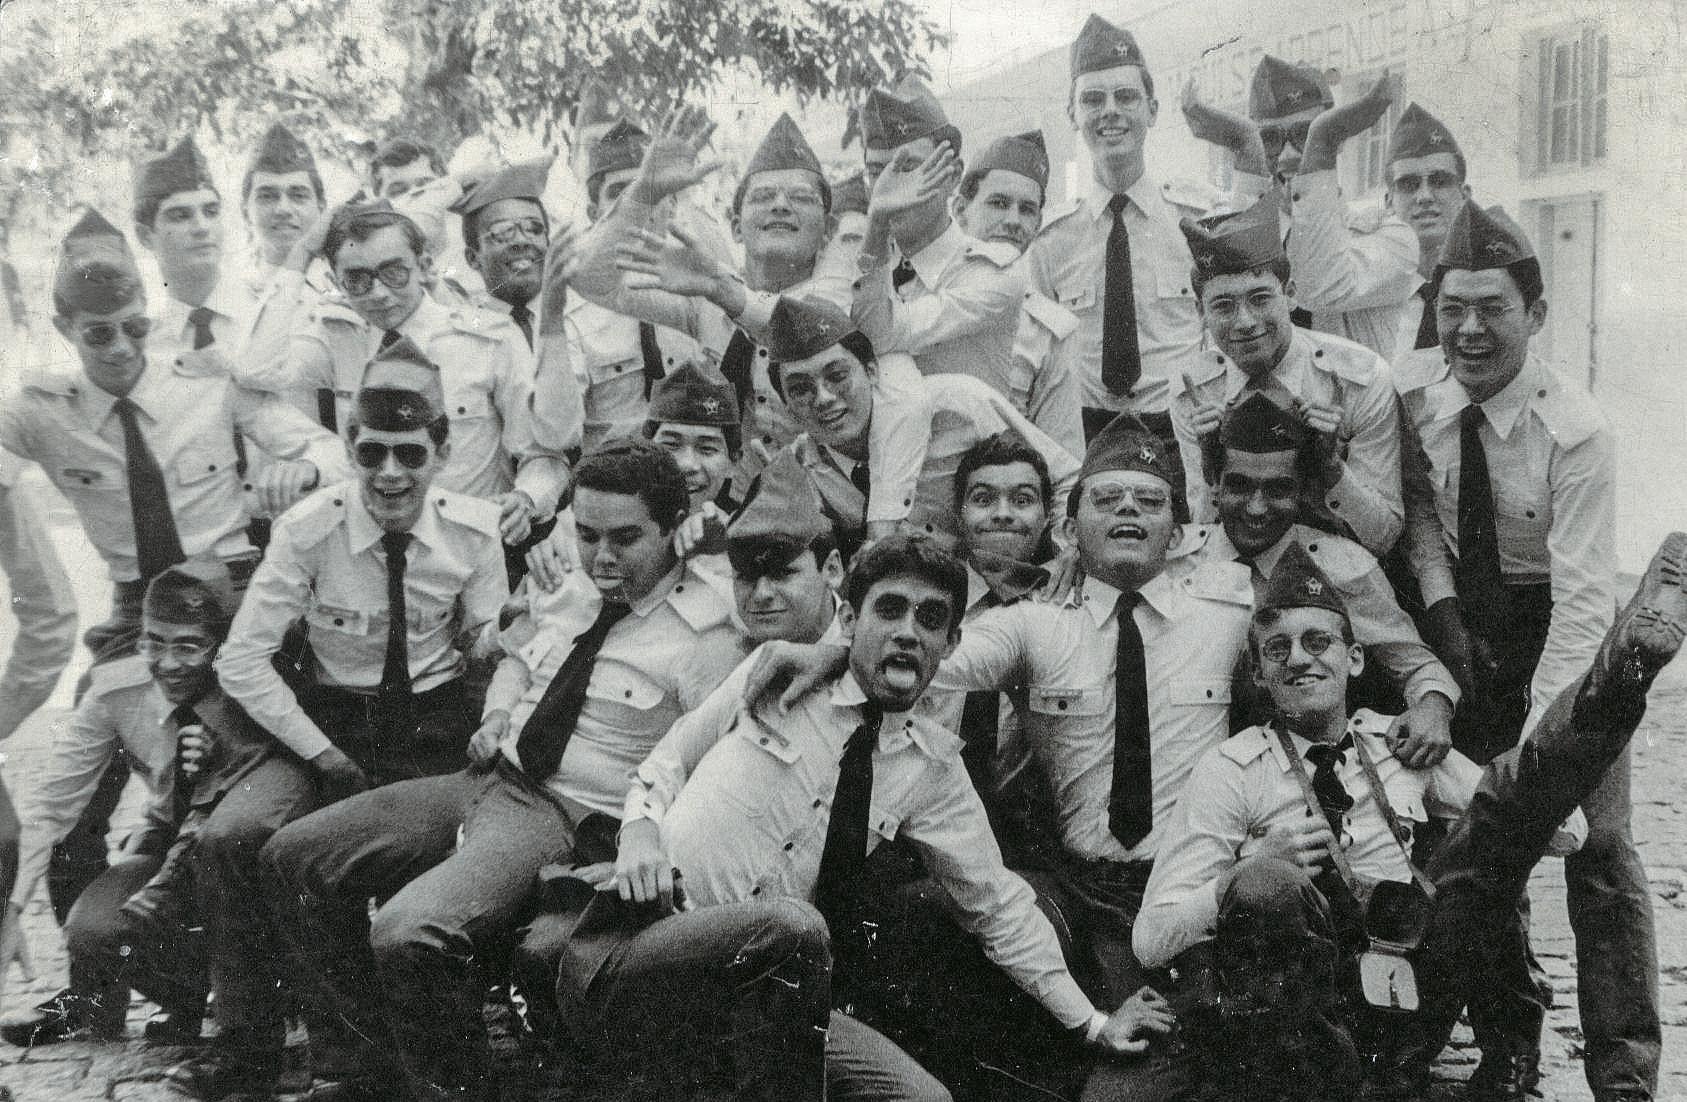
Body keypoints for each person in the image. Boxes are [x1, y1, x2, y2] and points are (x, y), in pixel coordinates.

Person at [1089, 532, 1686, 1101]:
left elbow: (1565, 834)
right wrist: (1240, 876)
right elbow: (1150, 940)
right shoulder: (1231, 770)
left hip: (1405, 990)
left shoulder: (1398, 745)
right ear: (1259, 675)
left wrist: (1476, 818)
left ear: (1354, 659)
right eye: (1278, 650)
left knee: (1496, 812)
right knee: (1267, 883)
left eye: (1317, 642)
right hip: (1298, 1020)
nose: (1299, 660)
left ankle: (1622, 674)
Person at [593, 537, 1165, 1101]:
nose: (908, 631)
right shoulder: (774, 676)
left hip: (766, 991)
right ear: (848, 618)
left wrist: (1093, 1023)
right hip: (660, 939)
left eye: (931, 619)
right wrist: (640, 836)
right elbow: (665, 765)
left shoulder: (932, 770)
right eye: (889, 609)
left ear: (951, 643)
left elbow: (997, 907)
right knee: (793, 925)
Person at [259, 438, 742, 1101]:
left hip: (561, 812)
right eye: (587, 534)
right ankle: (364, 1069)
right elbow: (520, 658)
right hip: (486, 775)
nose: (602, 556)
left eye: (625, 538)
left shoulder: (708, 631)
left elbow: (706, 767)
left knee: (408, 932)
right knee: (293, 857)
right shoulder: (569, 587)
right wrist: (494, 716)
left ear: (672, 529)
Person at [745, 413, 1253, 1021]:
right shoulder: (1033, 626)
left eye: (1149, 501)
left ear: (1178, 533)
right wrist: (834, 651)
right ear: (1069, 530)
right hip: (1086, 888)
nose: (1128, 510)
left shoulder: (1229, 611)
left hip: (1192, 878)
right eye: (1107, 498)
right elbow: (935, 659)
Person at [1396, 203, 1654, 1102]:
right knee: (1475, 838)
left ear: (1534, 315)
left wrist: (1542, 754)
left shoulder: (1576, 429)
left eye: (1492, 309)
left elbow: (1581, 602)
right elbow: (1418, 520)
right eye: (1451, 308)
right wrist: (1445, 624)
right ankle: (1508, 1042)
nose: (1468, 330)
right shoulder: (1411, 397)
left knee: (1598, 850)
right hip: (1465, 626)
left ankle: (1623, 1072)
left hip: (1564, 631)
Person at [198, 344, 506, 1099]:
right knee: (234, 837)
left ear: (442, 453)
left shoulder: (474, 531)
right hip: (325, 725)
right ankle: (262, 1053)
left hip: (431, 728)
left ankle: (437, 1054)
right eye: (371, 453)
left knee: (425, 866)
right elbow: (242, 661)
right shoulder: (308, 528)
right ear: (349, 450)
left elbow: (489, 648)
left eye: (410, 454)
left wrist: (500, 646)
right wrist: (322, 753)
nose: (390, 474)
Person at [572, 107, 933, 544]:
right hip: (735, 513)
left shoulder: (850, 297)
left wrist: (723, 291)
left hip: (846, 511)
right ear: (736, 226)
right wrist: (643, 194)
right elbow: (590, 280)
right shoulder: (706, 288)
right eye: (762, 196)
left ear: (827, 230)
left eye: (800, 197)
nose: (780, 205)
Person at [3, 560, 316, 1064]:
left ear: (221, 647)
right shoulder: (118, 688)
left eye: (189, 646)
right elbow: (51, 805)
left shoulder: (258, 685)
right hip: (175, 838)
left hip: (257, 854)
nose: (168, 663)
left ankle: (267, 1004)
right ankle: (169, 998)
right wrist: (12, 909)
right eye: (154, 643)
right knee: (97, 930)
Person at [2, 207, 346, 663]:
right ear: (65, 328)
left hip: (232, 589)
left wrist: (307, 467)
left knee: (273, 688)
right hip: (139, 605)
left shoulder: (206, 380)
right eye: (99, 335)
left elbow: (334, 454)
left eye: (135, 327)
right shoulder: (43, 411)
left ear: (147, 309)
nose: (121, 348)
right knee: (110, 701)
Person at [231, 198, 570, 572]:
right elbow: (250, 374)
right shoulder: (337, 340)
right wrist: (300, 254)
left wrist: (527, 498)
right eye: (357, 280)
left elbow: (543, 453)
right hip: (371, 558)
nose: (378, 293)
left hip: (470, 551)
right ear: (337, 282)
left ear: (423, 266)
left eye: (394, 272)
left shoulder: (487, 338)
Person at [1024, 13, 1257, 501]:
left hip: (1182, 432)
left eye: (1126, 97)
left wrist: (1244, 141)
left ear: (1152, 109)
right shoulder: (1049, 240)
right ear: (1072, 114)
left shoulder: (1197, 217)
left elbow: (1256, 251)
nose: (1110, 112)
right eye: (1093, 99)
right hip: (1085, 439)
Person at [1189, 392, 1454, 764]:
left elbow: (1416, 665)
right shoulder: (1179, 564)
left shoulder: (1341, 565)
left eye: (1278, 489)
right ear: (1215, 484)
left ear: (1302, 491)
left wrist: (1433, 708)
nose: (1256, 507)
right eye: (1240, 485)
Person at [1172, 191, 1404, 557]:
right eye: (1223, 306)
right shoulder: (1195, 392)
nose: (1245, 322)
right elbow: (1206, 534)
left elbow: (1384, 537)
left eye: (1260, 299)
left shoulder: (1360, 378)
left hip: (1341, 568)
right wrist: (1210, 466)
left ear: (1290, 294)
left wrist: (1332, 469)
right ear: (1200, 312)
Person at [1182, 57, 1418, 360]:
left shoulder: (1388, 233)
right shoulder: (1221, 231)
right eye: (1269, 140)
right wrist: (1246, 153)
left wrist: (1322, 145)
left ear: (1339, 139)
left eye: (1305, 135)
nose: (1287, 155)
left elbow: (1321, 288)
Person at [852, 78, 1028, 402]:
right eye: (877, 172)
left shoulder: (992, 272)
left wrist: (876, 224)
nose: (891, 187)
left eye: (910, 167)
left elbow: (877, 334)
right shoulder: (861, 265)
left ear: (953, 175)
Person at [565, 120, 712, 451]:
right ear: (594, 213)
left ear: (672, 204)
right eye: (621, 193)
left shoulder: (702, 287)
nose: (643, 202)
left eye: (654, 190)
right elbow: (561, 431)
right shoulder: (573, 313)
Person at [952, 130, 1086, 457]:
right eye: (998, 204)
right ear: (960, 210)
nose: (1013, 220)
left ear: (1038, 224)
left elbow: (1063, 455)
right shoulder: (914, 299)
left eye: (1026, 210)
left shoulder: (1049, 332)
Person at [239, 121, 336, 427]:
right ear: (245, 211)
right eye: (267, 196)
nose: (283, 209)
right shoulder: (230, 297)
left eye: (298, 195)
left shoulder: (347, 288)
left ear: (321, 207)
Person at [1384, 103, 1472, 358]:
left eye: (1440, 181)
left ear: (1465, 197)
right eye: (1408, 184)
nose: (1424, 196)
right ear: (1388, 203)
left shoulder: (1485, 291)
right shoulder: (1371, 295)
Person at [641, 362, 742, 514]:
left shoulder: (748, 526)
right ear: (643, 451)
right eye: (670, 445)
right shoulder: (613, 521)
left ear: (734, 462)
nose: (686, 465)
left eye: (707, 448)